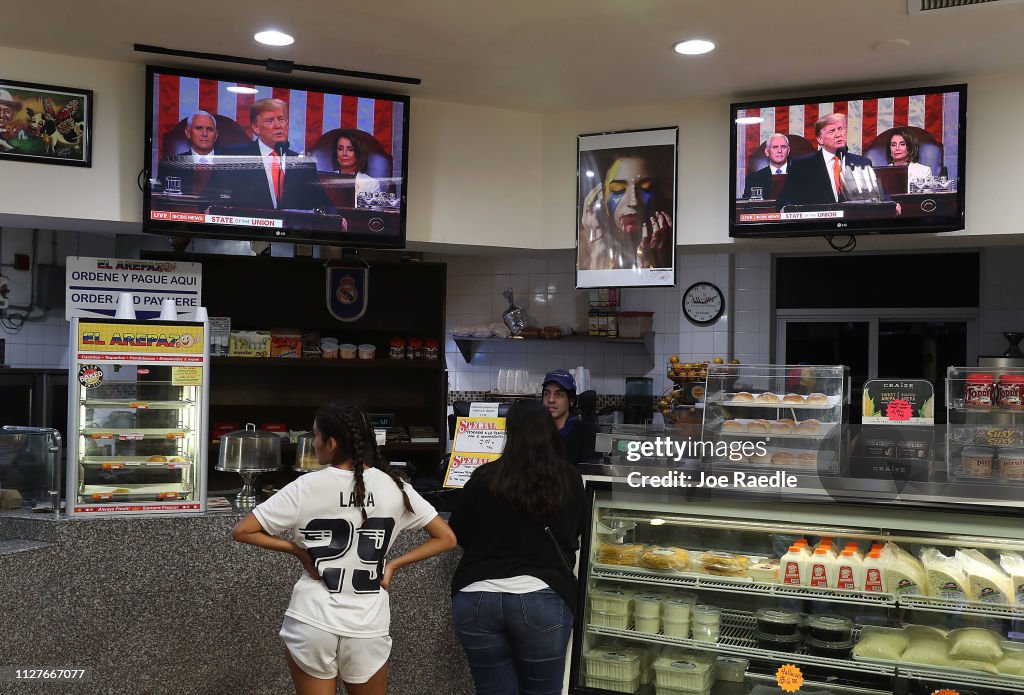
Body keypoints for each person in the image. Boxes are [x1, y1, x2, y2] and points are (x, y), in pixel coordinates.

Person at [232, 401, 457, 695]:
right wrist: (392, 565)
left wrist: (299, 551)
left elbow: (243, 531)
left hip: (312, 618)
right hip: (368, 623)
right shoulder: (396, 486)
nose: (314, 443)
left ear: (332, 442)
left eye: (316, 436)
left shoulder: (305, 486)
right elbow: (447, 538)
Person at [449, 399, 587, 695]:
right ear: (550, 432)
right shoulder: (570, 480)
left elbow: (457, 533)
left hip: (477, 599)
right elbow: (576, 531)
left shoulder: (484, 478)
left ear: (509, 433)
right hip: (543, 601)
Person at [215, 98, 337, 215]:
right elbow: (214, 201)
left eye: (281, 119)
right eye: (270, 120)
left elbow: (323, 204)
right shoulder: (235, 158)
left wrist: (337, 219)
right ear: (256, 127)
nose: (278, 125)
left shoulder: (303, 163)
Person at [578, 149, 673, 271]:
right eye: (618, 189)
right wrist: (597, 252)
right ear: (600, 196)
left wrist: (654, 262)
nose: (633, 202)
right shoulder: (583, 245)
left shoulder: (669, 245)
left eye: (646, 187)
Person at [775, 113, 878, 209]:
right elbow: (783, 201)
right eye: (832, 131)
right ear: (820, 139)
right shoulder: (802, 166)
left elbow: (880, 197)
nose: (838, 135)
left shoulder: (862, 163)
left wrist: (893, 206)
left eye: (841, 129)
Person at [156, 111, 219, 196]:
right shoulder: (170, 165)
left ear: (216, 135)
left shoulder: (232, 164)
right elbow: (160, 201)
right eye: (199, 128)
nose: (204, 134)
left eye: (209, 129)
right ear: (188, 133)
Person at [542, 369, 597, 465]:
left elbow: (591, 474)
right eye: (546, 394)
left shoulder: (586, 432)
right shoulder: (535, 431)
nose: (550, 400)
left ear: (571, 400)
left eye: (558, 394)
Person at [333, 131, 381, 206]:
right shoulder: (324, 180)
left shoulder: (371, 184)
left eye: (350, 149)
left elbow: (373, 216)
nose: (344, 153)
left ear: (358, 153)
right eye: (340, 148)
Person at [742, 133, 791, 199]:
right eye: (775, 147)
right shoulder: (754, 179)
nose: (779, 151)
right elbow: (748, 206)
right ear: (767, 152)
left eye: (783, 147)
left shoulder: (801, 176)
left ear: (788, 151)